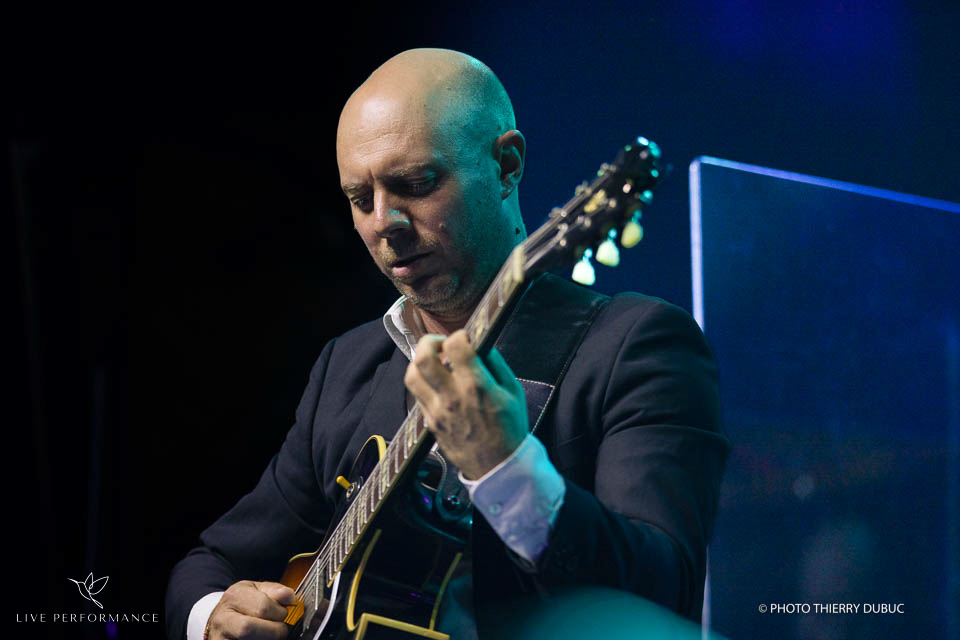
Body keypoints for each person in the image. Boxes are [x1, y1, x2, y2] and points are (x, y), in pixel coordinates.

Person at [165, 48, 729, 640]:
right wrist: (212, 616)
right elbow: (210, 564)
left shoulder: (637, 346)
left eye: (415, 184)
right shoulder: (347, 367)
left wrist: (505, 467)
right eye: (360, 199)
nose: (383, 221)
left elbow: (664, 591)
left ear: (507, 166)